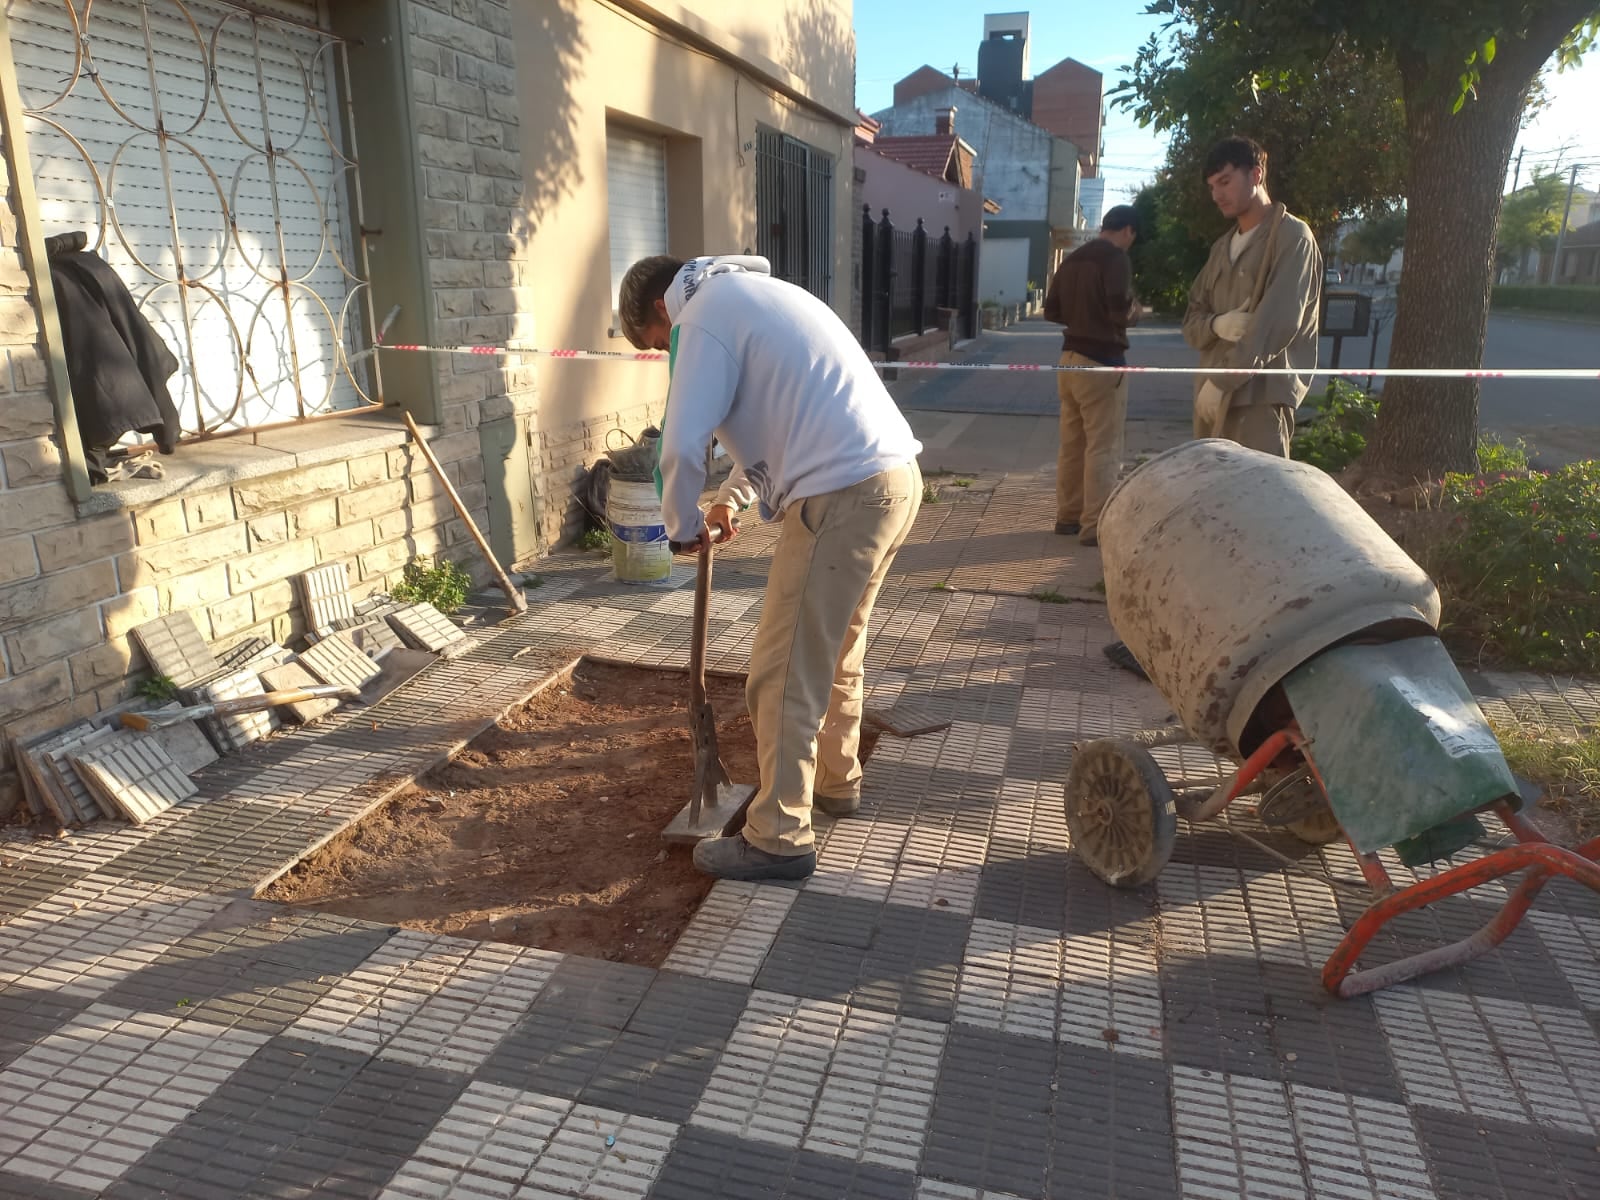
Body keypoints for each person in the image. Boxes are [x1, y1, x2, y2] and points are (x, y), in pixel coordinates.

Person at [617, 254, 923, 883]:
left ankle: (780, 835)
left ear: (658, 310)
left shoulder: (698, 321)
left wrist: (681, 529)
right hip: (892, 481)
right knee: (837, 649)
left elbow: (681, 440)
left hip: (840, 495)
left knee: (780, 672)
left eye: (654, 344)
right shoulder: (752, 296)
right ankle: (837, 783)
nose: (664, 352)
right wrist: (729, 500)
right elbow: (776, 421)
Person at [1182, 135, 1321, 456]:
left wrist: (1222, 382)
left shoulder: (1292, 236)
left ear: (1256, 174)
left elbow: (1279, 322)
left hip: (1260, 400)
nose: (1217, 194)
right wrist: (1216, 325)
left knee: (1261, 501)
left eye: (1225, 182)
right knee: (1212, 500)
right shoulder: (1221, 248)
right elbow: (1191, 319)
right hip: (1210, 400)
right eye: (1212, 186)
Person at [1042, 205, 1140, 547]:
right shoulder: (1115, 259)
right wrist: (1134, 311)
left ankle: (1067, 517)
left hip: (1068, 361)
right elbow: (1119, 310)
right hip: (1102, 362)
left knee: (1072, 445)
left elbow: (1051, 311)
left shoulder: (1073, 258)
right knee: (1103, 446)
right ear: (1128, 231)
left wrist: (1080, 315)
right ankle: (1095, 526)